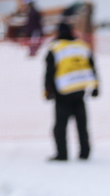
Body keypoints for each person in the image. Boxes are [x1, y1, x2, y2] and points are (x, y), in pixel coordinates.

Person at [44, 23, 98, 162]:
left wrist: (47, 91)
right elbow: (92, 67)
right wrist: (96, 87)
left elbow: (49, 72)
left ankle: (62, 154)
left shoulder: (55, 47)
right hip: (80, 91)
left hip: (62, 93)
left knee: (60, 126)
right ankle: (84, 153)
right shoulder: (82, 45)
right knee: (82, 124)